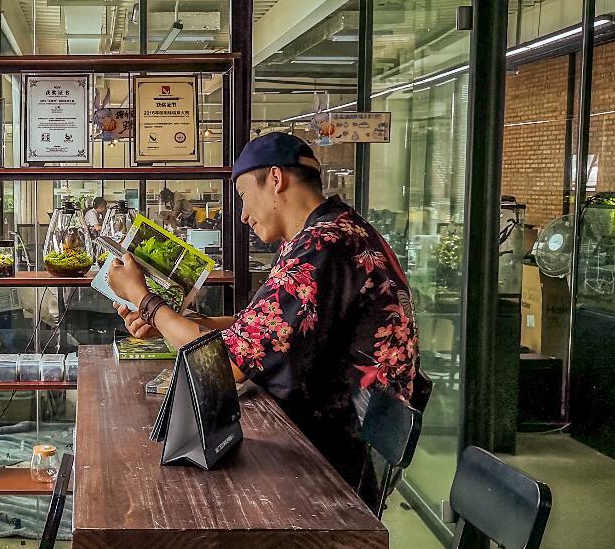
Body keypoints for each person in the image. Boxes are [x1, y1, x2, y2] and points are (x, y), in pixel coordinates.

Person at [107, 132, 419, 502]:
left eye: (243, 195)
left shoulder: (322, 245)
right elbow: (259, 327)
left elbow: (224, 365)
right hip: (326, 443)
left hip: (329, 469)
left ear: (275, 178)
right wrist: (170, 323)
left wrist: (144, 299)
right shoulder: (335, 230)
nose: (242, 214)